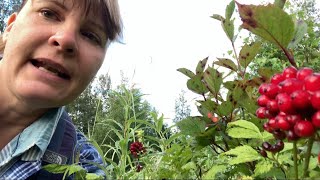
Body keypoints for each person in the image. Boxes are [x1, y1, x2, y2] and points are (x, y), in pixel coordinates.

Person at [0, 0, 122, 179]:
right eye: (48, 13)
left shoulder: (84, 167)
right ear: (9, 28)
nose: (66, 39)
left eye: (90, 35)